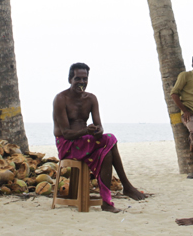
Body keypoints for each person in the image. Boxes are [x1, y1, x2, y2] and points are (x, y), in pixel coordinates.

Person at [52, 63, 146, 212]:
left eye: (85, 79)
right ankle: (126, 186)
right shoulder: (61, 99)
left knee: (107, 153)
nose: (81, 82)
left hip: (86, 142)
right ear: (70, 79)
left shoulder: (91, 99)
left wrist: (97, 130)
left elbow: (99, 127)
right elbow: (65, 133)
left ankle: (106, 203)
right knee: (111, 139)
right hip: (68, 145)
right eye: (78, 79)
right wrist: (86, 131)